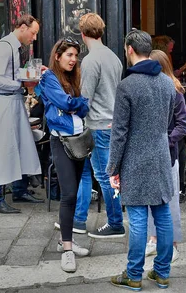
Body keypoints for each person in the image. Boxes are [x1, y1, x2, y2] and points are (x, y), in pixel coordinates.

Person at [108, 30, 176, 291]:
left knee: (137, 219)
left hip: (135, 158)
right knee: (163, 215)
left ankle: (134, 275)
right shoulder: (167, 83)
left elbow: (119, 132)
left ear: (129, 49)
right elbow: (169, 120)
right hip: (160, 154)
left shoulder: (127, 86)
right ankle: (161, 273)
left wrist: (112, 166)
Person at [66, 13, 125, 239]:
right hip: (113, 122)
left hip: (98, 124)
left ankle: (115, 223)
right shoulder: (114, 57)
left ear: (82, 34)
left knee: (103, 176)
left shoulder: (91, 60)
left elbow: (86, 98)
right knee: (106, 174)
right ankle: (80, 220)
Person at [37, 37, 90, 273]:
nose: (73, 59)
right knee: (68, 194)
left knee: (75, 193)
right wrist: (76, 104)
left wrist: (75, 103)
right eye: (69, 54)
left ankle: (65, 241)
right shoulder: (49, 77)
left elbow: (82, 105)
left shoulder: (72, 77)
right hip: (61, 142)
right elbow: (65, 103)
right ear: (57, 56)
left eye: (76, 55)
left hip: (78, 141)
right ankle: (67, 250)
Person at [0, 14, 42, 214]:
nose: (34, 38)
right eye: (33, 33)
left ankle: (19, 189)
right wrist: (23, 83)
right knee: (3, 150)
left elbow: (8, 75)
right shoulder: (4, 47)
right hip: (4, 102)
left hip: (12, 101)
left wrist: (30, 74)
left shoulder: (14, 47)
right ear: (22, 27)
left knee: (20, 145)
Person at [145, 49, 186, 264]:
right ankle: (153, 239)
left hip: (168, 154)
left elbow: (183, 125)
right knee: (150, 198)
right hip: (149, 155)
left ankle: (172, 244)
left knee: (170, 201)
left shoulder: (175, 92)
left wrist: (166, 141)